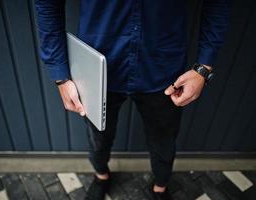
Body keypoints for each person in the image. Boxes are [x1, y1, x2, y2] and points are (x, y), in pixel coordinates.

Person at [34, 1, 231, 199]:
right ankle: (101, 175)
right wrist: (60, 74)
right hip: (97, 69)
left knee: (164, 141)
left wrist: (204, 68)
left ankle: (160, 186)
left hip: (163, 70)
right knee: (98, 139)